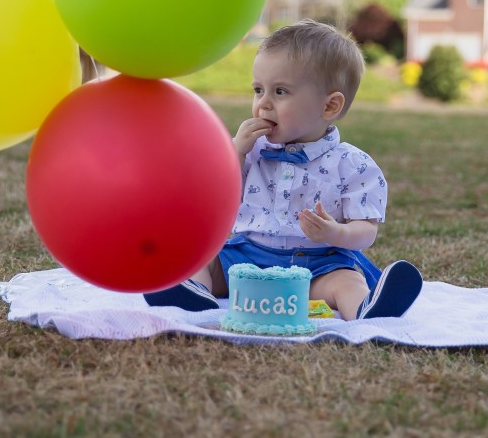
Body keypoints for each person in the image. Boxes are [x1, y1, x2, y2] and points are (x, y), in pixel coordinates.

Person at [147, 19, 423, 319]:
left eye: (280, 91)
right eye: (258, 90)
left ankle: (365, 308)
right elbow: (213, 197)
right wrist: (235, 152)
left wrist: (337, 232)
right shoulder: (249, 151)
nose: (263, 104)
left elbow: (366, 232)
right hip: (244, 260)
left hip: (316, 266)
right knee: (200, 257)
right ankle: (193, 291)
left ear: (329, 106)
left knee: (347, 281)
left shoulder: (353, 165)